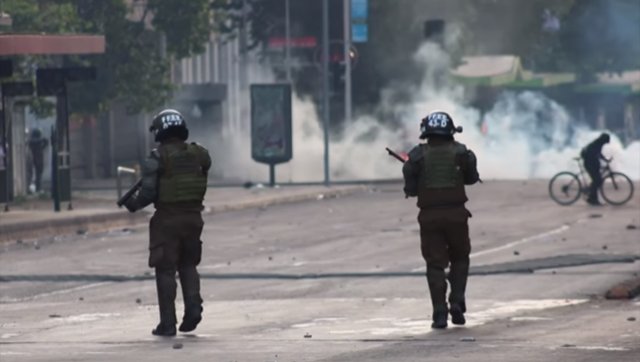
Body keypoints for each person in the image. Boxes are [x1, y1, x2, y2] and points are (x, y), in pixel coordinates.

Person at [123, 109, 211, 337]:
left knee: (165, 269)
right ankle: (193, 306)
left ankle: (168, 323)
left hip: (168, 219)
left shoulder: (157, 157)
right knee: (189, 264)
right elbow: (205, 166)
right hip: (194, 217)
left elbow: (149, 192)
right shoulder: (198, 152)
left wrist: (133, 204)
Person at [402, 111, 480, 329]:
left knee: (435, 264)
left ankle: (439, 313)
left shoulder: (417, 156)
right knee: (460, 258)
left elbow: (411, 189)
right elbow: (472, 179)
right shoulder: (462, 152)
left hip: (429, 217)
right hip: (456, 215)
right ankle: (456, 301)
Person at [580, 133, 611, 206]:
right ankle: (592, 199)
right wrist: (598, 163)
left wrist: (605, 160)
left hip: (591, 163)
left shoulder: (598, 143)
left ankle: (592, 197)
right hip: (589, 164)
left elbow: (598, 154)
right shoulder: (596, 144)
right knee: (597, 180)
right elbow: (593, 156)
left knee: (597, 180)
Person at [27, 128, 48, 193]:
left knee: (37, 174)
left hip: (34, 158)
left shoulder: (33, 142)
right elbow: (46, 141)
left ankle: (37, 187)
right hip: (37, 158)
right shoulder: (38, 142)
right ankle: (38, 187)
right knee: (38, 174)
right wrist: (42, 147)